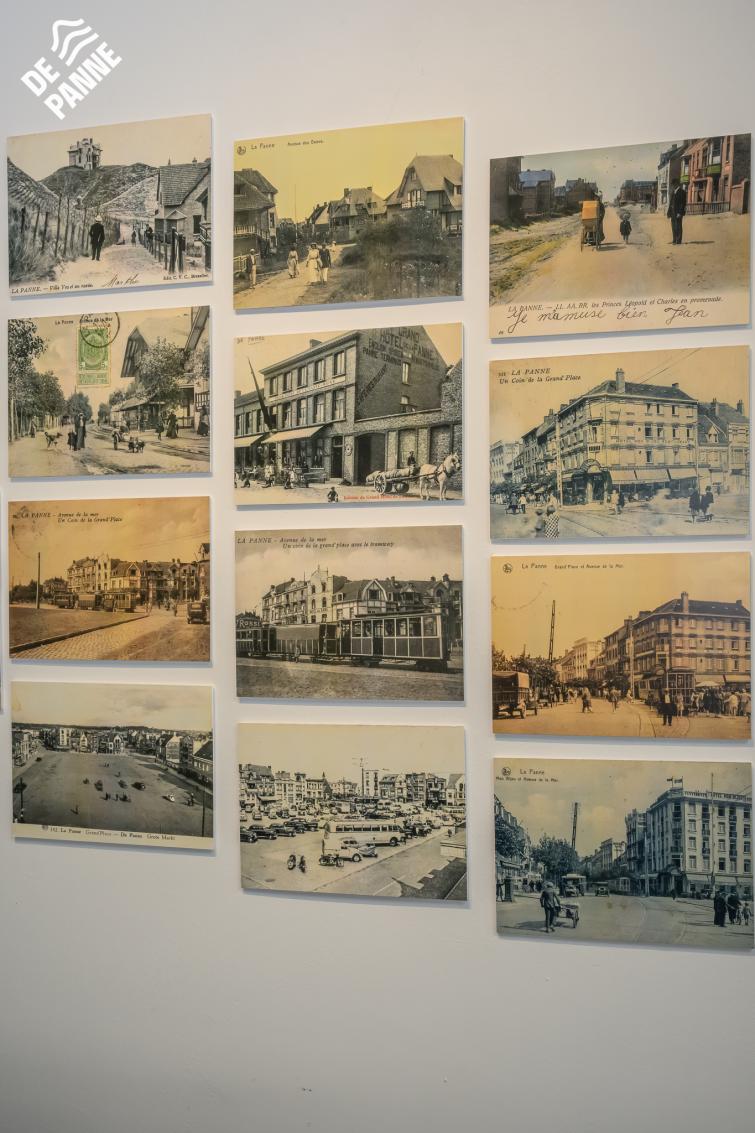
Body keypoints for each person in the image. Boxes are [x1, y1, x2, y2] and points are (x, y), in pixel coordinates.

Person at [667, 179, 687, 245]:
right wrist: (669, 212)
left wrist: (680, 213)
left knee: (678, 226)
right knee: (673, 226)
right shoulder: (673, 192)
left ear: (676, 184)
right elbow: (671, 203)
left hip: (678, 212)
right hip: (673, 212)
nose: (672, 186)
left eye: (673, 185)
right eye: (672, 185)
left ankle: (678, 241)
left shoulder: (682, 192)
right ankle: (674, 240)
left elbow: (682, 204)